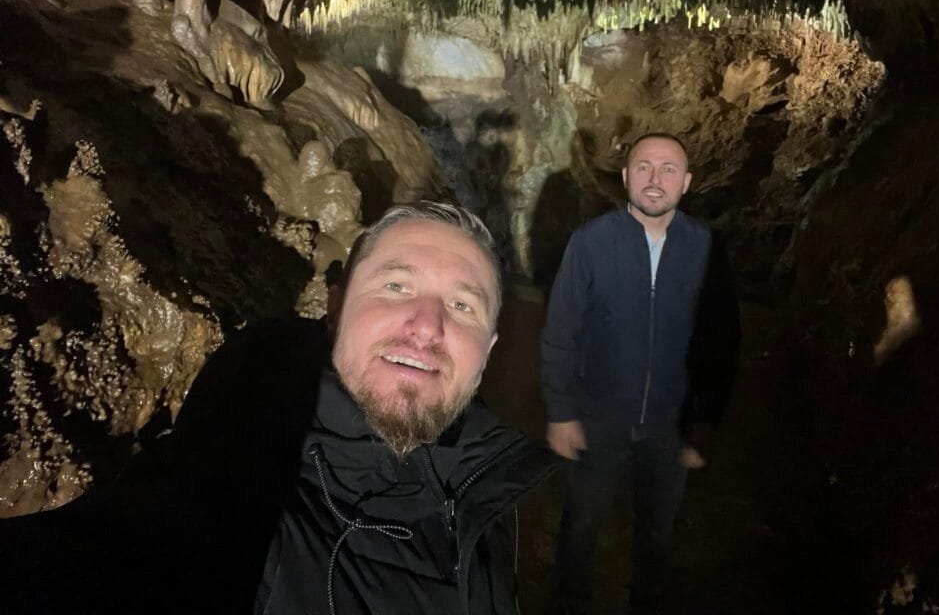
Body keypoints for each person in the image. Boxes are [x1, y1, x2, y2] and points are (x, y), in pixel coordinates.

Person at [1, 201, 555, 615]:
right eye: (396, 286)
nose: (428, 326)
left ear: (489, 350)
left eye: (462, 305)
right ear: (334, 309)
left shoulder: (489, 491)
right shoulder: (227, 492)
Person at [541, 133, 740, 614]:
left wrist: (704, 422)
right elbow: (561, 330)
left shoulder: (705, 247)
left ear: (686, 182)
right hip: (598, 417)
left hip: (670, 425)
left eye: (669, 169)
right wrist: (562, 412)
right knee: (581, 525)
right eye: (645, 167)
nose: (656, 178)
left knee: (657, 532)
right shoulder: (591, 242)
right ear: (627, 176)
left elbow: (721, 342)